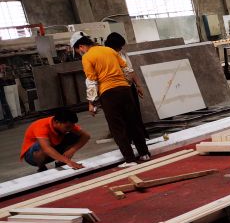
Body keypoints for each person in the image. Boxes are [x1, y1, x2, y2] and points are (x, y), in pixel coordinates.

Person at [71, 31, 150, 167]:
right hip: (125, 90)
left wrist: (91, 102)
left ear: (81, 46)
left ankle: (130, 160)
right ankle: (144, 154)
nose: (80, 53)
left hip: (108, 94)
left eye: (78, 51)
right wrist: (133, 85)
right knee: (133, 122)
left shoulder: (87, 57)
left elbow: (91, 81)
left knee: (117, 127)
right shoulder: (109, 50)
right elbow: (127, 69)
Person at [104, 32, 148, 140]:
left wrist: (138, 85)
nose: (120, 48)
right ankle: (128, 138)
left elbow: (130, 70)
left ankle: (140, 137)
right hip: (114, 89)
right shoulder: (105, 56)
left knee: (134, 112)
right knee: (121, 115)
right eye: (118, 46)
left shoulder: (122, 54)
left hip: (128, 87)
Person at [20, 108, 89, 172]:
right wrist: (68, 161)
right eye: (67, 127)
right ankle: (41, 167)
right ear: (57, 122)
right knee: (41, 145)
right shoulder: (41, 126)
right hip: (32, 157)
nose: (69, 129)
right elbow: (46, 148)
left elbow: (86, 136)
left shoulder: (67, 124)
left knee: (74, 135)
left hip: (52, 150)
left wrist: (72, 150)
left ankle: (61, 163)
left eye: (72, 126)